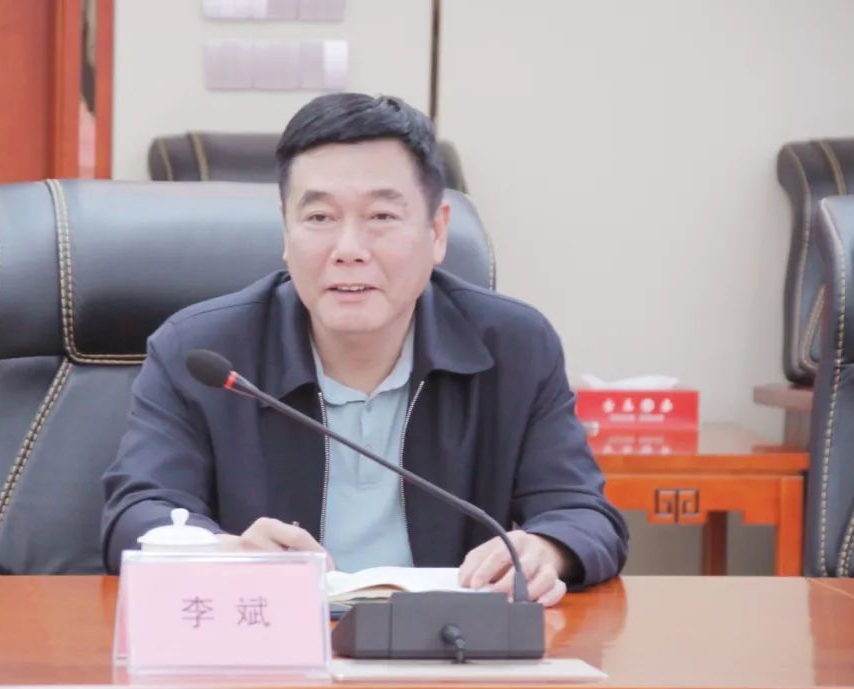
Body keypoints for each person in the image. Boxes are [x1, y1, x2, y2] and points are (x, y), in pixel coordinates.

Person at [101, 93, 628, 606]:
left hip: (445, 647)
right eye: (319, 218)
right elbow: (138, 512)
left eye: (381, 217)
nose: (348, 250)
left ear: (437, 231)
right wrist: (223, 553)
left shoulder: (512, 346)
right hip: (265, 641)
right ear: (285, 230)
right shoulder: (202, 353)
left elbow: (583, 513)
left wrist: (546, 549)